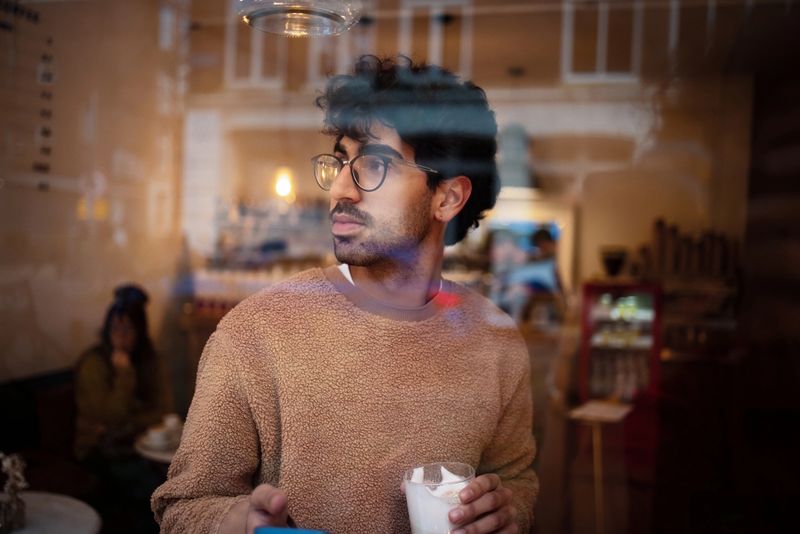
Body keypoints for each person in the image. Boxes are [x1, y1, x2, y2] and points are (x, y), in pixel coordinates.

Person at [152, 55, 538, 534]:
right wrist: (232, 521)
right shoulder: (256, 332)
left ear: (448, 198)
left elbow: (518, 479)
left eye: (373, 164)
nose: (339, 188)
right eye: (340, 161)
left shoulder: (496, 343)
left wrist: (509, 511)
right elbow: (181, 506)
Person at [74, 284, 173, 532]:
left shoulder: (151, 359)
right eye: (114, 328)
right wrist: (124, 372)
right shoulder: (93, 363)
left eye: (127, 329)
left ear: (140, 332)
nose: (119, 336)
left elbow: (164, 409)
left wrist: (130, 423)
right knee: (152, 493)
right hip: (99, 451)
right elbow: (110, 416)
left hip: (139, 446)